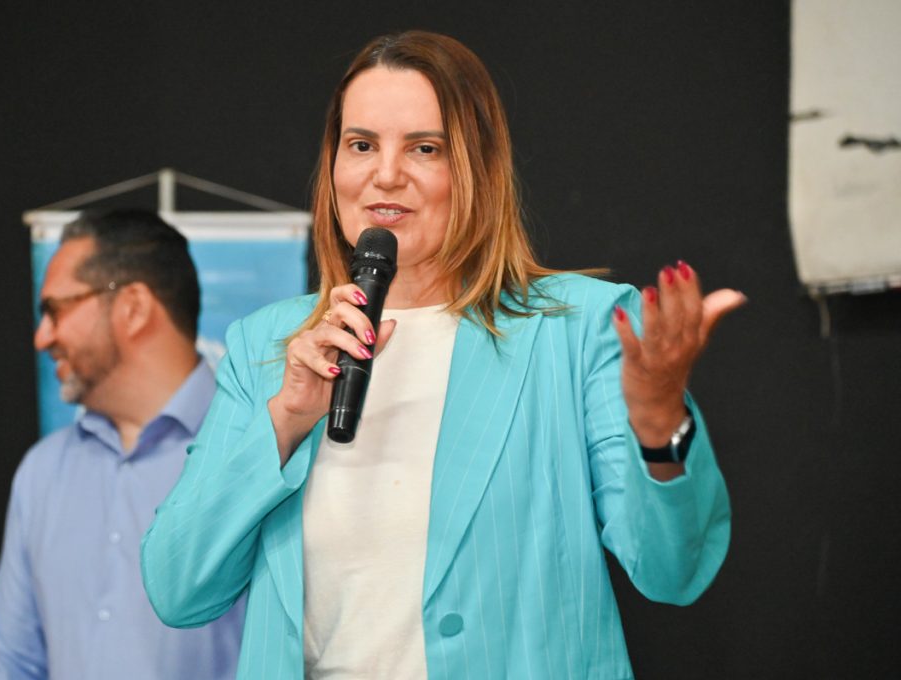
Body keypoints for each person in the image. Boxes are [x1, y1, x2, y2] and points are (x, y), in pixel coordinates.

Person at [141, 31, 746, 679]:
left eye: (424, 148)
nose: (386, 175)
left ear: (478, 169)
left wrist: (657, 423)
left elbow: (673, 572)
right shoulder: (266, 345)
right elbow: (178, 591)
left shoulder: (579, 330)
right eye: (361, 145)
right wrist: (285, 419)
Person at [0, 210, 244, 679]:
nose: (42, 337)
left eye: (56, 309)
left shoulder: (256, 458)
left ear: (133, 307)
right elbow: (12, 663)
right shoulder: (43, 472)